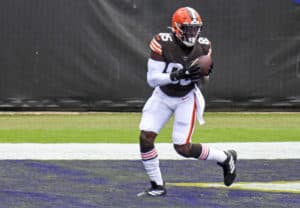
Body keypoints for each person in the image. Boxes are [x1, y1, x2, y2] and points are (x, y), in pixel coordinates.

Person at [138, 7, 237, 197]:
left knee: (182, 148)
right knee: (145, 137)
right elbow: (152, 79)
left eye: (195, 29)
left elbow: (204, 81)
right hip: (163, 95)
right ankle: (157, 184)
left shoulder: (204, 45)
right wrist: (178, 74)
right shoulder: (162, 42)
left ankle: (226, 157)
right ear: (176, 28)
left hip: (186, 97)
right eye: (188, 29)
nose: (192, 33)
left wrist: (203, 74)